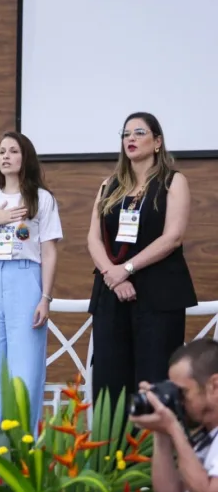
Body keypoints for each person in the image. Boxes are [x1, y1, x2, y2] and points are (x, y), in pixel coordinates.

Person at [88, 112, 196, 409]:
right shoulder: (108, 185)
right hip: (111, 293)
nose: (130, 139)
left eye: (138, 133)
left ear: (157, 142)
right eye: (125, 135)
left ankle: (151, 454)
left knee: (153, 377)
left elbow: (172, 237)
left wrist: (127, 269)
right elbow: (93, 239)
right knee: (110, 380)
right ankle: (111, 454)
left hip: (158, 294)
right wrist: (112, 274)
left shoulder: (173, 181)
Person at [0, 131, 62, 427]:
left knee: (25, 368)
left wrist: (45, 297)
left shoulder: (41, 199)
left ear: (25, 156)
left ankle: (23, 445)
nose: (5, 156)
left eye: (13, 151)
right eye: (1, 152)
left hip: (25, 277)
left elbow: (49, 252)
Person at [131, 339, 218, 492]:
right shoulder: (205, 435)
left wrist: (173, 428)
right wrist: (161, 432)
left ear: (214, 385)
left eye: (182, 393)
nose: (178, 402)